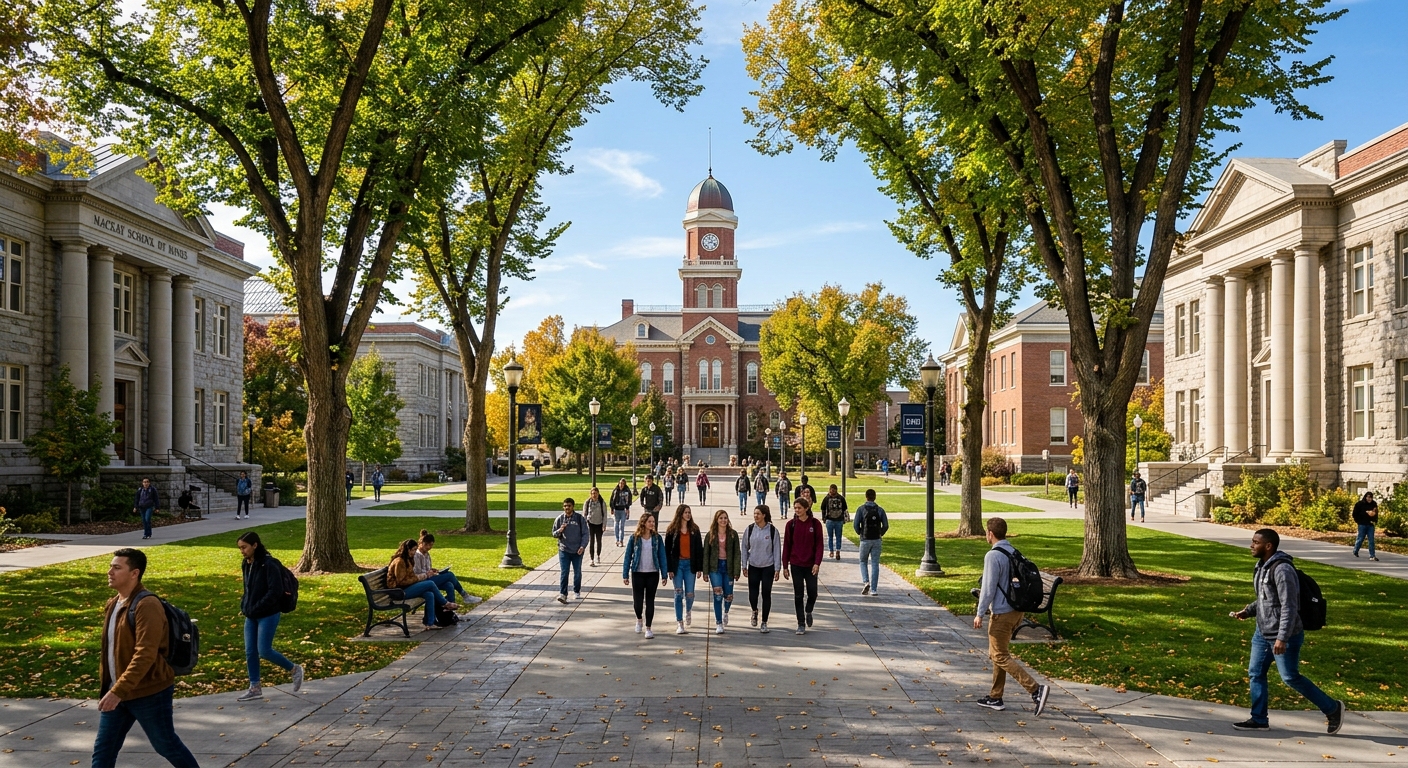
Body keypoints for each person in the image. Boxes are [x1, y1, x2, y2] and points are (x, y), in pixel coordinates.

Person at [92, 548, 200, 768]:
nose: (109, 571)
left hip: (150, 692)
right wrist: (114, 688)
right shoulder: (114, 603)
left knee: (166, 744)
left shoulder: (147, 605)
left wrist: (117, 691)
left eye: (117, 567)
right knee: (103, 752)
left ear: (134, 573)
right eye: (111, 566)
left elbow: (145, 654)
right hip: (119, 691)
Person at [1229, 529, 1345, 733]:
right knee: (1255, 673)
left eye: (1255, 542)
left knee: (1290, 677)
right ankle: (1259, 720)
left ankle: (1333, 708)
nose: (1251, 545)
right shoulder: (1262, 566)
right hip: (1262, 633)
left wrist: (1282, 638)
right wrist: (1247, 611)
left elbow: (1289, 606)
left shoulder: (1282, 570)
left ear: (1268, 546)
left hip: (1285, 635)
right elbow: (1266, 599)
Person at [973, 517, 1051, 715]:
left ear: (990, 534)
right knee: (999, 654)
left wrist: (980, 612)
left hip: (1002, 612)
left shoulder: (992, 556)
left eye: (986, 533)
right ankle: (995, 696)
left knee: (999, 655)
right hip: (1017, 610)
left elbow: (988, 588)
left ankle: (1035, 689)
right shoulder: (1012, 551)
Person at [236, 532, 304, 702]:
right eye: (240, 548)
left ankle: (294, 669)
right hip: (251, 614)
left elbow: (275, 592)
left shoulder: (269, 564)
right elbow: (248, 589)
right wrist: (245, 606)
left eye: (244, 547)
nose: (242, 551)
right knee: (250, 651)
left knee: (264, 650)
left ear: (255, 545)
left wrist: (256, 607)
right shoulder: (246, 564)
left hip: (268, 613)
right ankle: (255, 687)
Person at [386, 539, 457, 629]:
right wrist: (418, 578)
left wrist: (419, 577)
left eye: (415, 550)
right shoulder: (400, 561)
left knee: (429, 594)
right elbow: (401, 582)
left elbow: (410, 577)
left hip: (407, 587)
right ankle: (445, 604)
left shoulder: (407, 560)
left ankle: (430, 623)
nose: (414, 552)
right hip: (399, 591)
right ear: (407, 549)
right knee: (430, 583)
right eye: (413, 550)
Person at [782, 497, 824, 635]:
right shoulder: (791, 525)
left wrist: (817, 563)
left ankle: (809, 610)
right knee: (798, 595)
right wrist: (785, 566)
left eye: (799, 508)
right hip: (796, 564)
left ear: (806, 508)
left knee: (813, 593)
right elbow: (787, 546)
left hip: (811, 565)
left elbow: (819, 545)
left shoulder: (815, 524)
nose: (797, 510)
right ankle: (800, 623)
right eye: (795, 508)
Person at [622, 513, 667, 639]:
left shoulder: (657, 538)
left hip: (652, 573)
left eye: (653, 521)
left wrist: (664, 574)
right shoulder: (634, 538)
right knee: (638, 602)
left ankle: (648, 628)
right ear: (643, 523)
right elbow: (627, 557)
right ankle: (639, 619)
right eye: (650, 521)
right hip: (638, 572)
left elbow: (662, 556)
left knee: (650, 600)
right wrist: (625, 574)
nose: (652, 523)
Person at [742, 505, 783, 632]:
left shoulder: (772, 531)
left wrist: (777, 569)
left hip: (768, 567)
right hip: (754, 566)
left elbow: (776, 550)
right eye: (754, 514)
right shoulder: (749, 529)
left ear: (764, 515)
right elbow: (744, 548)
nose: (756, 516)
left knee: (766, 594)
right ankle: (754, 610)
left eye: (758, 514)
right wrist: (744, 565)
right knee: (752, 595)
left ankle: (764, 621)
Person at [664, 505, 704, 634]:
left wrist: (699, 568)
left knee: (690, 594)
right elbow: (667, 551)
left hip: (690, 565)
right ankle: (680, 622)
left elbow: (699, 550)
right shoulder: (671, 530)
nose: (688, 514)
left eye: (689, 512)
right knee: (678, 593)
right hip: (677, 566)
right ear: (680, 514)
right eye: (686, 512)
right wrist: (669, 569)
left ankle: (688, 610)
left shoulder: (694, 529)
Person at [705, 509, 741, 634]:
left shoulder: (733, 534)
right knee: (718, 595)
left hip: (728, 567)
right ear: (716, 520)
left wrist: (737, 570)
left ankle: (726, 612)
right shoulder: (710, 535)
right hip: (715, 568)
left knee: (728, 596)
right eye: (721, 518)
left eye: (725, 518)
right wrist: (705, 572)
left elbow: (737, 553)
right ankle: (719, 622)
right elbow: (706, 554)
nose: (723, 520)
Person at [414, 530, 472, 604]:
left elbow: (426, 568)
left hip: (430, 577)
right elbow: (417, 572)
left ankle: (450, 608)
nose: (429, 547)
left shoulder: (426, 554)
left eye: (431, 545)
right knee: (450, 575)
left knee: (449, 585)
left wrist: (433, 570)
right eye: (426, 545)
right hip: (423, 581)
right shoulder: (416, 555)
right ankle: (464, 595)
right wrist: (428, 573)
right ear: (420, 543)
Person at [552, 498, 589, 603]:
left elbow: (586, 534)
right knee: (564, 572)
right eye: (565, 506)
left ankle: (577, 590)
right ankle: (563, 594)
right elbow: (554, 533)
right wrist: (560, 530)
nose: (566, 508)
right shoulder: (560, 519)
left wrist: (582, 546)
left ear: (573, 506)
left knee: (577, 572)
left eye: (569, 506)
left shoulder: (579, 519)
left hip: (577, 550)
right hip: (564, 550)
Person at [854, 489, 889, 596]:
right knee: (875, 563)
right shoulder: (880, 510)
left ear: (866, 496)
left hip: (865, 539)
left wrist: (860, 533)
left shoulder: (861, 509)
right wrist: (880, 533)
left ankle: (866, 581)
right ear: (875, 497)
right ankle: (874, 589)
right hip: (876, 540)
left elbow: (856, 525)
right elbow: (886, 525)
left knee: (863, 561)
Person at [819, 484, 849, 560]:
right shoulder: (840, 498)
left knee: (831, 537)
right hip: (837, 520)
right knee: (836, 536)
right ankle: (836, 550)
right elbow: (845, 508)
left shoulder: (827, 498)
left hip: (831, 520)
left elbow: (822, 508)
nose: (832, 491)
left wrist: (824, 518)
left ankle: (833, 551)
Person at [583, 486, 608, 567]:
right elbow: (584, 514)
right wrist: (585, 524)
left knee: (599, 541)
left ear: (598, 494)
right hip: (590, 523)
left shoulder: (601, 502)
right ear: (590, 494)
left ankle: (598, 555)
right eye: (593, 493)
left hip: (599, 523)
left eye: (596, 493)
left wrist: (604, 525)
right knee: (592, 541)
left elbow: (605, 515)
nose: (594, 495)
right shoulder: (587, 502)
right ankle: (592, 559)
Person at [1352, 491, 1379, 561]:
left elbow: (1376, 513)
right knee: (1360, 539)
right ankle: (1355, 550)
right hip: (1362, 524)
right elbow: (1354, 514)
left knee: (1371, 540)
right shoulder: (1360, 504)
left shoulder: (1374, 504)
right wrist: (1358, 521)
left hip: (1370, 524)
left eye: (1371, 497)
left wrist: (1375, 519)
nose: (1369, 499)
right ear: (1365, 497)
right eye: (1368, 497)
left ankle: (1372, 555)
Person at [610, 478, 633, 547]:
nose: (621, 485)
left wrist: (627, 508)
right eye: (620, 483)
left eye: (623, 483)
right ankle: (617, 539)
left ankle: (621, 540)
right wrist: (612, 508)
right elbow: (612, 500)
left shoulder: (627, 491)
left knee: (622, 526)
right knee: (616, 524)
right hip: (616, 509)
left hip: (623, 509)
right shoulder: (615, 490)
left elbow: (629, 500)